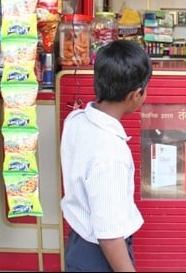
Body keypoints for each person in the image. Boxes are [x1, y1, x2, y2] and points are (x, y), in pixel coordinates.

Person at [60, 39, 153, 272]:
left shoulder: (76, 120)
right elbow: (109, 234)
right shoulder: (110, 155)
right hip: (99, 257)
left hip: (79, 243)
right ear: (136, 94)